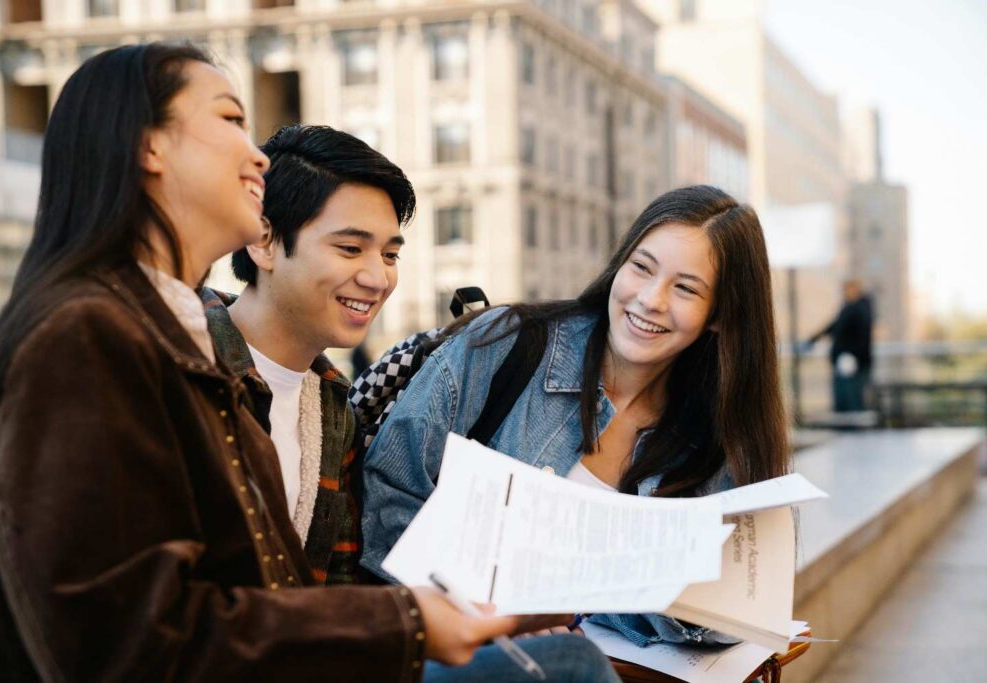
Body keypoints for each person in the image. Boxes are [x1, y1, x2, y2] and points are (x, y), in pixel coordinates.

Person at [0, 44, 614, 682]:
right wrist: (407, 622)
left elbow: (279, 595)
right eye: (229, 119)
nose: (255, 153)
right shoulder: (90, 334)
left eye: (389, 252)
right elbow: (126, 640)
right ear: (148, 145)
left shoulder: (207, 354)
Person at [201, 123, 620, 680]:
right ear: (263, 240)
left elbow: (341, 593)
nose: (376, 277)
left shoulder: (331, 407)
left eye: (390, 254)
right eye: (350, 248)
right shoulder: (188, 364)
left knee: (562, 658)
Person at [362, 185, 791, 647]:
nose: (650, 299)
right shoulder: (506, 344)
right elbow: (389, 491)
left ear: (720, 315)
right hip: (447, 648)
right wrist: (484, 612)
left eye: (685, 288)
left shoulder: (715, 440)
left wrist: (576, 609)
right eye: (641, 268)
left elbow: (727, 618)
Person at [806, 279, 874, 413]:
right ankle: (847, 428)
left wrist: (854, 357)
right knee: (844, 399)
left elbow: (862, 337)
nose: (845, 293)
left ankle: (854, 430)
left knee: (852, 399)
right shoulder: (848, 308)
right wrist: (815, 338)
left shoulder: (860, 310)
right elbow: (834, 326)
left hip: (852, 363)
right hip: (845, 361)